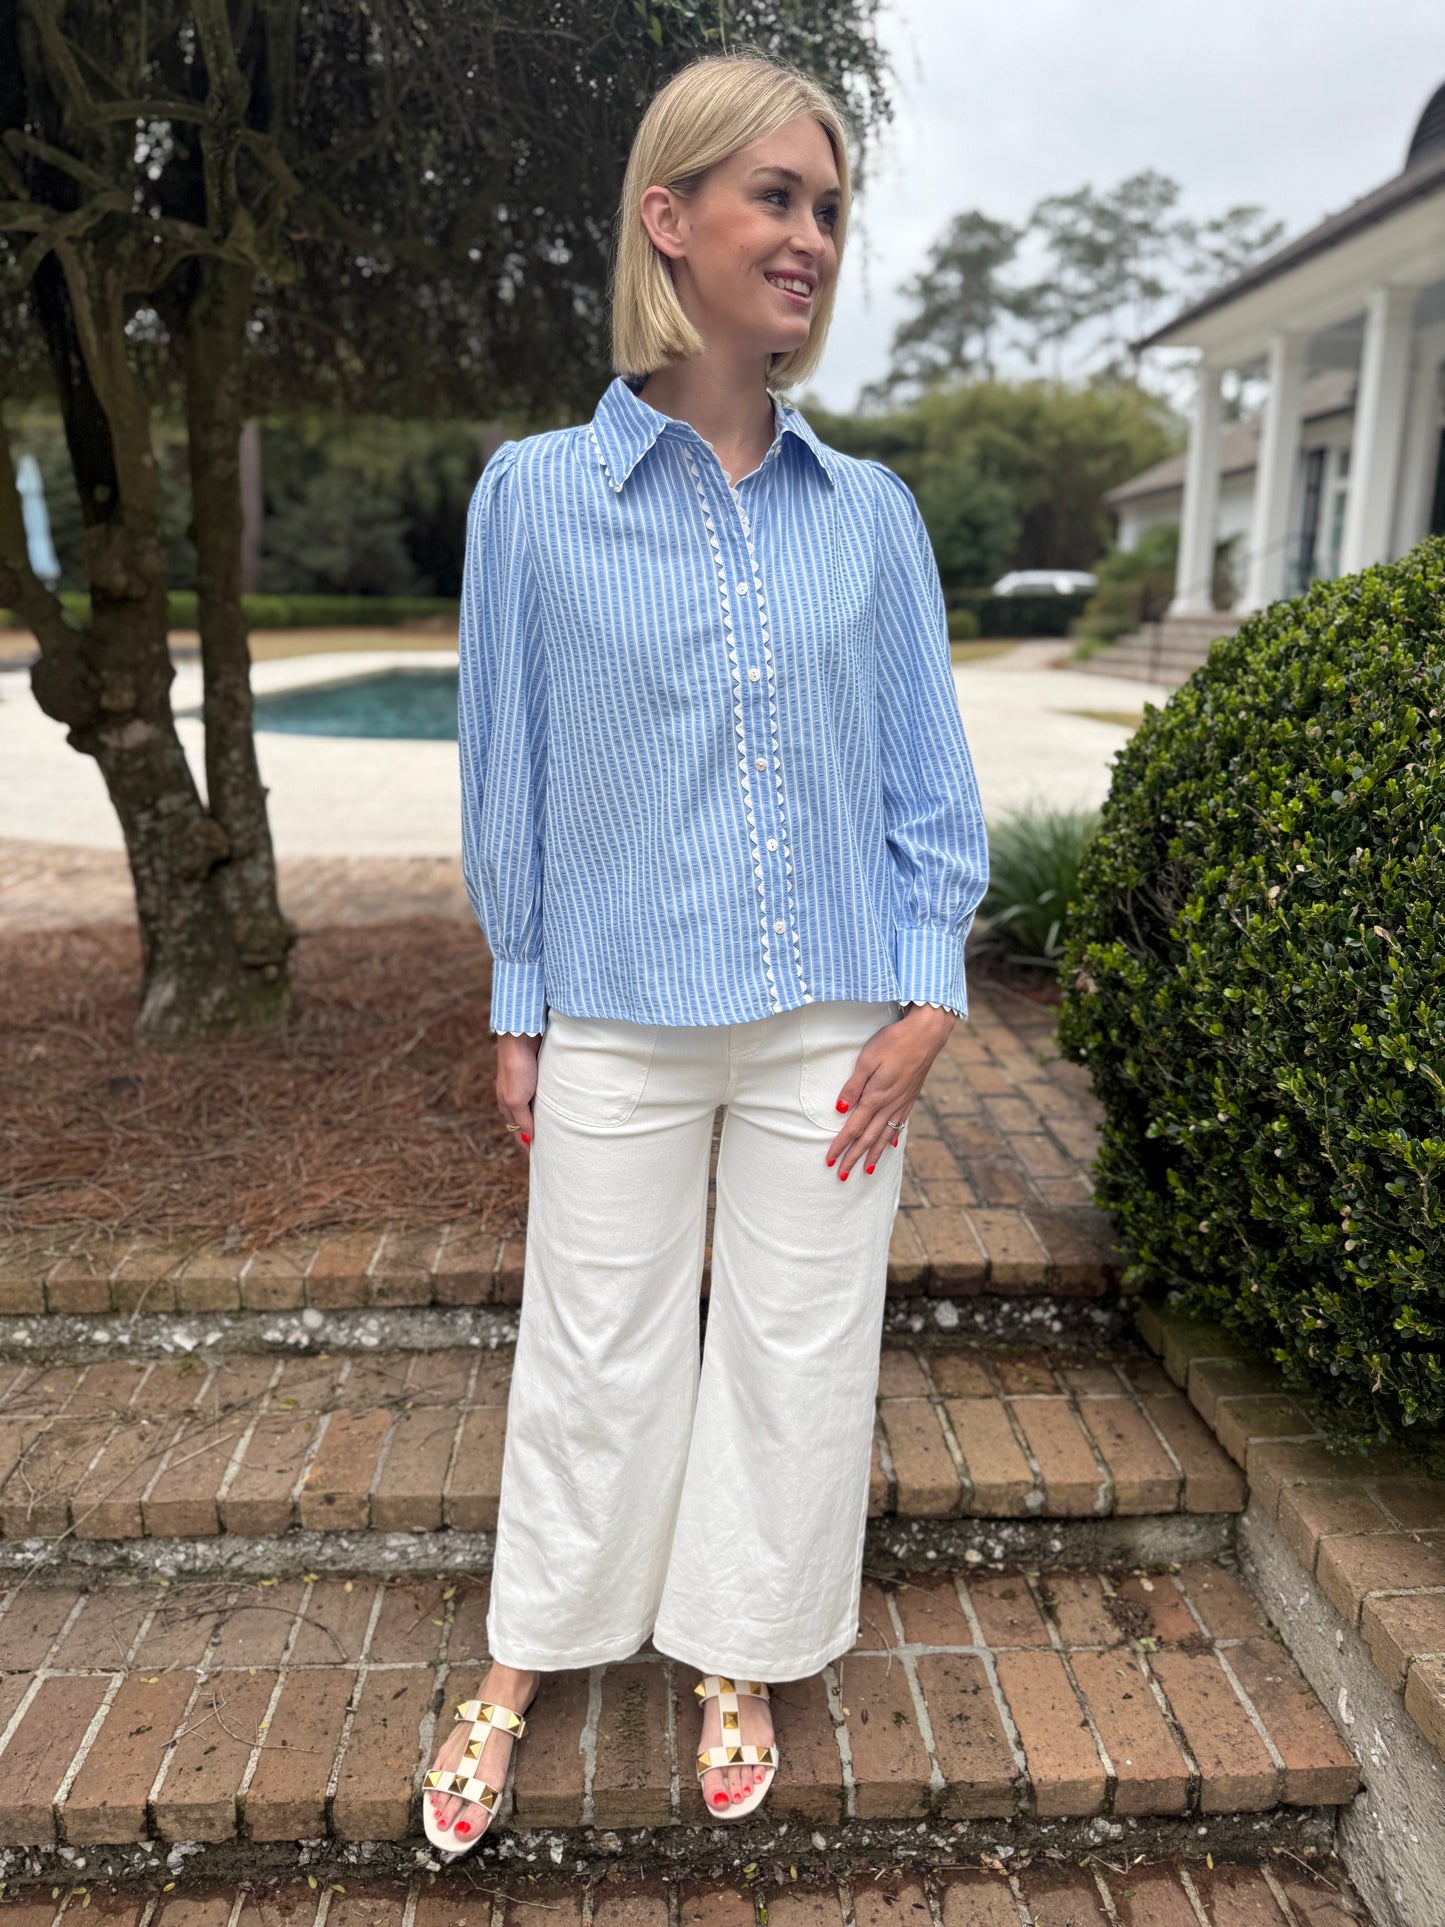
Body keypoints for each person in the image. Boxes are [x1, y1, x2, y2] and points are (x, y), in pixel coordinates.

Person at [422, 47, 987, 1859]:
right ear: (668, 222)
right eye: (775, 198)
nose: (810, 235)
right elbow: (504, 766)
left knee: (798, 1350)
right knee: (592, 1346)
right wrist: (519, 1001)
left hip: (833, 1019)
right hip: (617, 1015)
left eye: (827, 207)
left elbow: (923, 774)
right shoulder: (531, 498)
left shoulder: (870, 517)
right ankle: (526, 1654)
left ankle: (735, 1648)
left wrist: (926, 996)